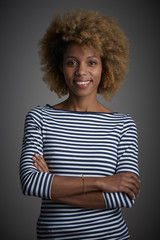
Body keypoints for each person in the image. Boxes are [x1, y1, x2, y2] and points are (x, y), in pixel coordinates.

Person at [20, 9, 140, 240]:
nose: (81, 71)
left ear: (106, 66)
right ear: (60, 67)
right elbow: (30, 182)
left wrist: (53, 187)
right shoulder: (40, 118)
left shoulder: (123, 125)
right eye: (71, 62)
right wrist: (101, 182)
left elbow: (125, 197)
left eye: (91, 62)